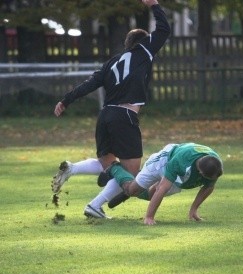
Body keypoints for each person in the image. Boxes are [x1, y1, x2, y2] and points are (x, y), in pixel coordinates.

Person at [51, 0, 170, 219]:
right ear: (143, 43)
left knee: (107, 163)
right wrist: (154, 5)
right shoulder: (143, 51)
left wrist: (65, 101)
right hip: (124, 116)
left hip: (105, 116)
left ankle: (72, 168)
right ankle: (95, 205)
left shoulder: (111, 63)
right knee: (131, 173)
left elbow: (89, 84)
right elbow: (164, 29)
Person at [99, 143, 224, 225]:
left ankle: (131, 193)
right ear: (200, 172)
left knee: (150, 194)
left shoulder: (214, 165)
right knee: (132, 189)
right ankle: (115, 168)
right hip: (164, 160)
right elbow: (162, 189)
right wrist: (149, 217)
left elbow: (208, 187)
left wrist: (194, 210)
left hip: (183, 170)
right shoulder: (180, 162)